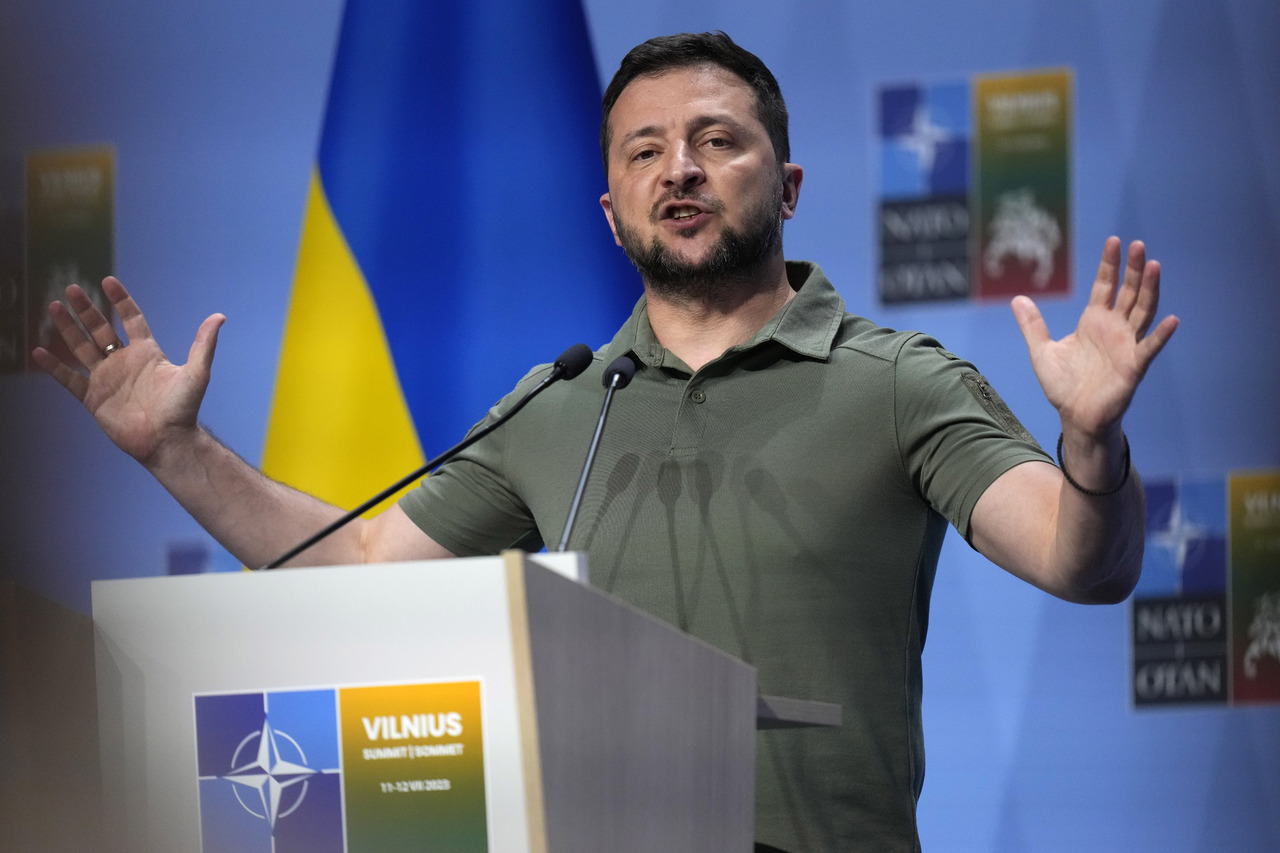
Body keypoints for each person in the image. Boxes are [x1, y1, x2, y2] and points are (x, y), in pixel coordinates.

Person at [35, 32, 1177, 853]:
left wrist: (1093, 442)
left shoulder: (896, 381)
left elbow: (1083, 560)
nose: (677, 168)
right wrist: (176, 452)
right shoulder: (561, 403)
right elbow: (361, 566)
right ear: (610, 211)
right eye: (643, 152)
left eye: (715, 140)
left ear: (786, 187)